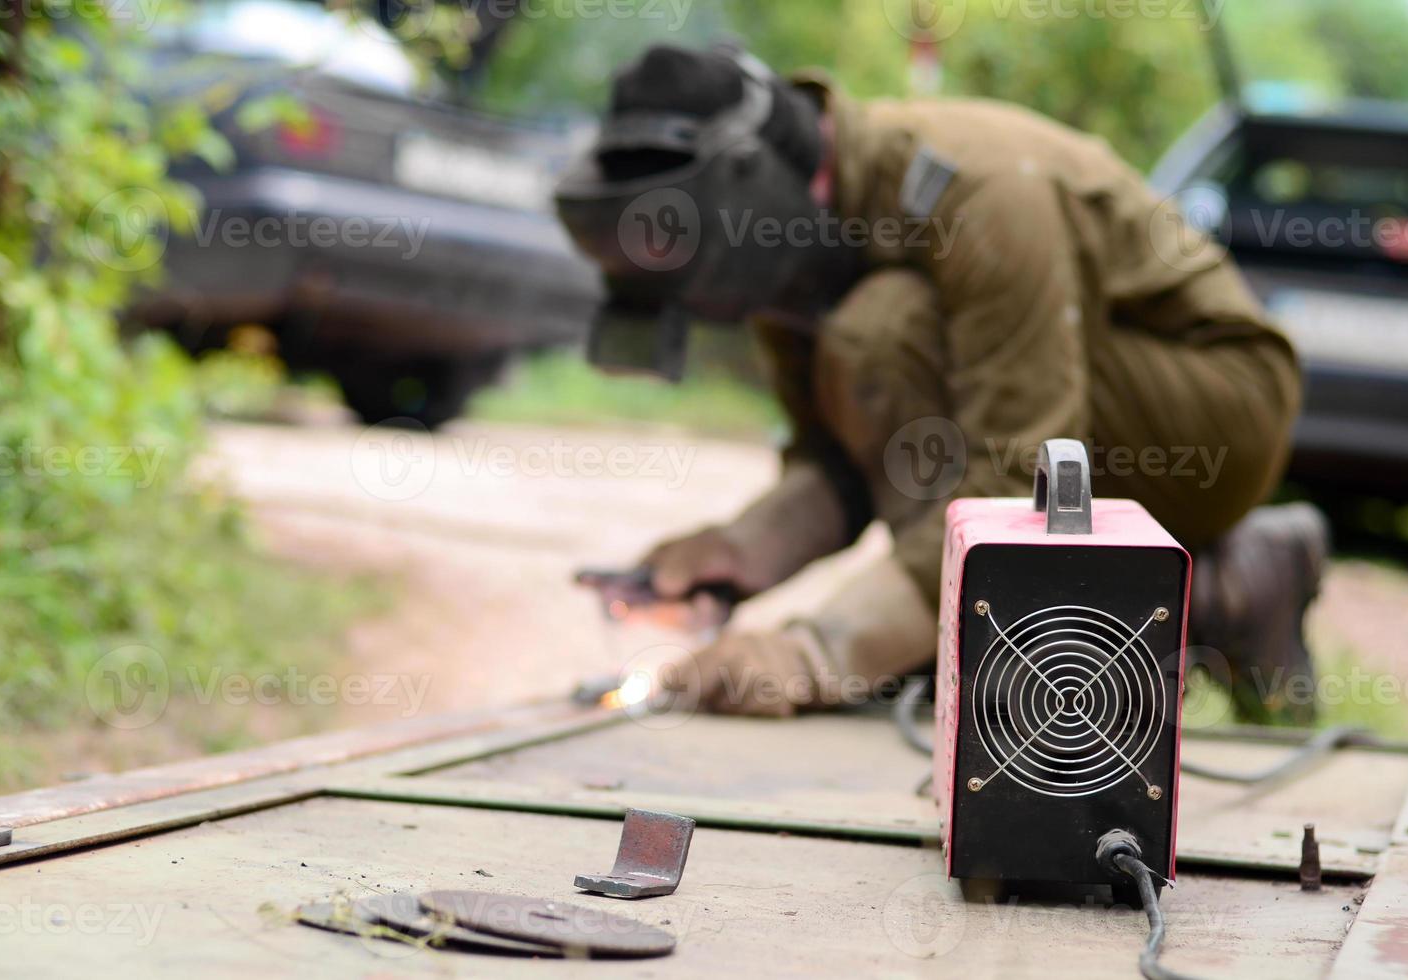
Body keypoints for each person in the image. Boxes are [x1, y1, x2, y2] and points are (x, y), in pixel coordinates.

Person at [555, 43, 1327, 724]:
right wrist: (740, 550)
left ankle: (1036, 637)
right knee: (871, 333)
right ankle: (1224, 586)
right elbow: (842, 464)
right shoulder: (796, 249)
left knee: (882, 330)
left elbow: (1020, 468)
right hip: (1096, 418)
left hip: (1220, 409)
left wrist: (819, 653)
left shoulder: (974, 190)